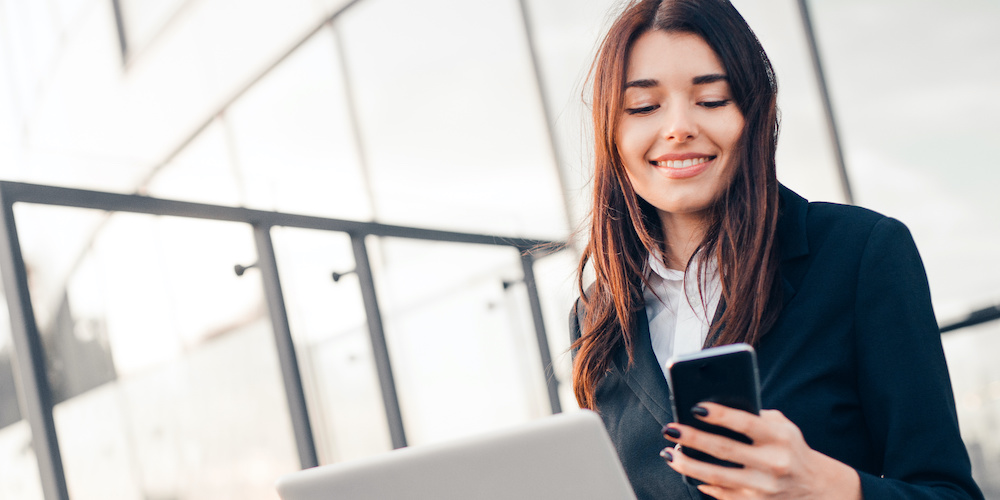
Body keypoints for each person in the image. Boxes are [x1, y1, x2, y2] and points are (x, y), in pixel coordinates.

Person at [568, 0, 985, 499]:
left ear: (755, 114)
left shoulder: (860, 254)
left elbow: (949, 491)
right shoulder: (595, 316)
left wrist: (829, 487)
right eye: (643, 107)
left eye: (713, 99)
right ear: (612, 132)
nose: (677, 127)